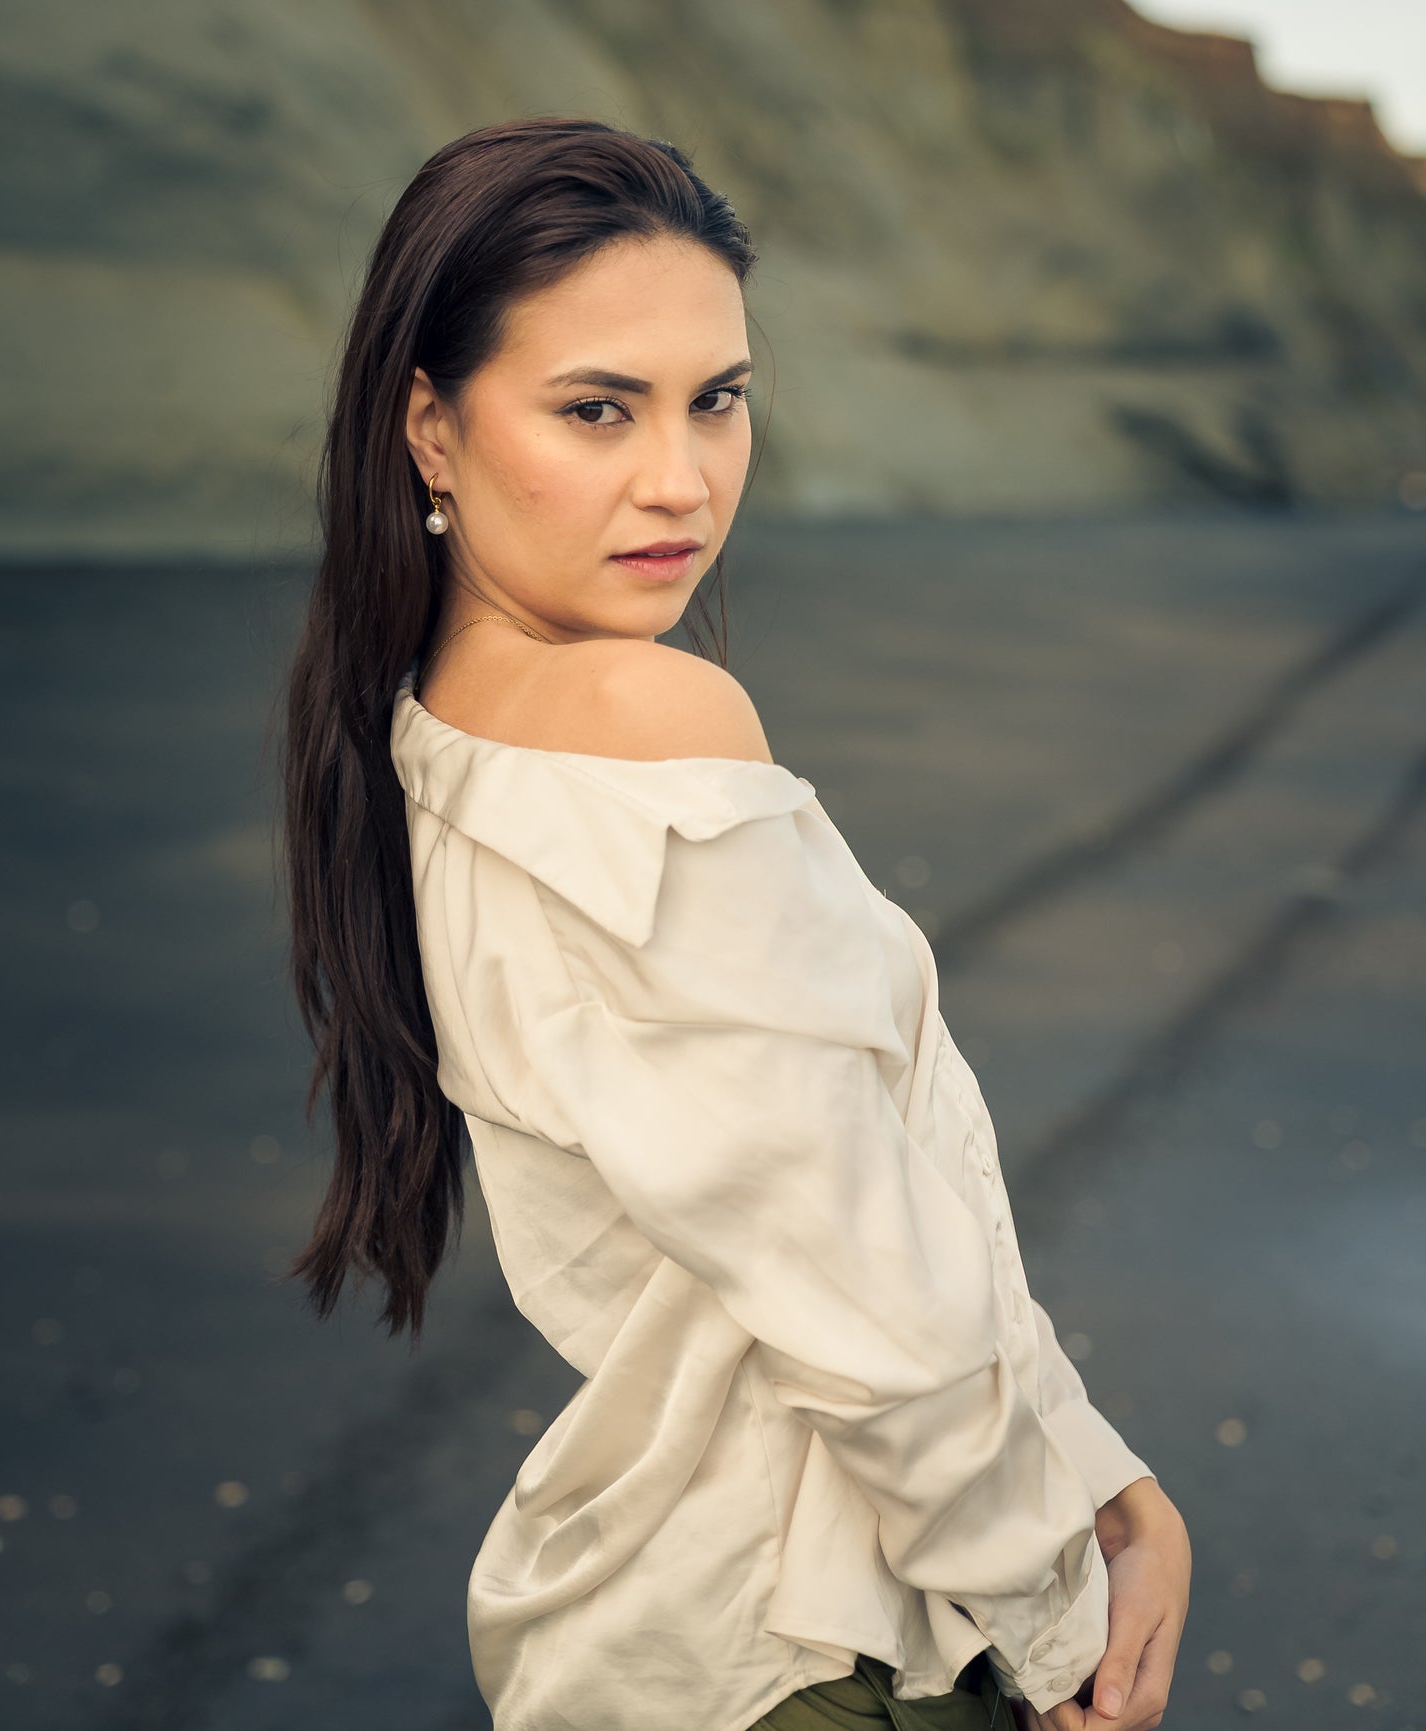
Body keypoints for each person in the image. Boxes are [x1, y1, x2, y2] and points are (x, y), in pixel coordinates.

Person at [281, 116, 1191, 1731]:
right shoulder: (644, 717)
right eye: (594, 408)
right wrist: (1057, 1618)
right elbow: (861, 1283)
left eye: (718, 400)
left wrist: (1097, 1472)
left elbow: (841, 1203)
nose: (680, 478)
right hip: (822, 1642)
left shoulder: (437, 727)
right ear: (432, 430)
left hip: (679, 1622)